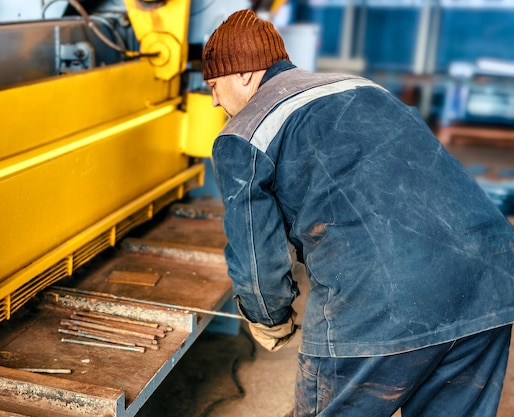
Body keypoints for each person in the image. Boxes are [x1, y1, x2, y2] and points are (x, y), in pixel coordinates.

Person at [202, 9, 514, 417]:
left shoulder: (244, 133)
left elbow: (256, 257)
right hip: (489, 280)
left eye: (214, 85)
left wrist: (269, 318)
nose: (213, 100)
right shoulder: (363, 88)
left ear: (243, 74)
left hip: (379, 303)